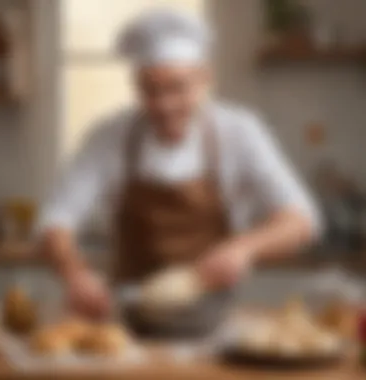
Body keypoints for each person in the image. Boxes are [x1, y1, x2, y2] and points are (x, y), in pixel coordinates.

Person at [37, 9, 321, 319]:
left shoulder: (240, 131)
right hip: (128, 316)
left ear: (205, 77)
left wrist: (244, 248)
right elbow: (56, 220)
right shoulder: (109, 136)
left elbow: (302, 219)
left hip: (211, 315)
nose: (163, 105)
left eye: (177, 88)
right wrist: (75, 274)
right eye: (149, 89)